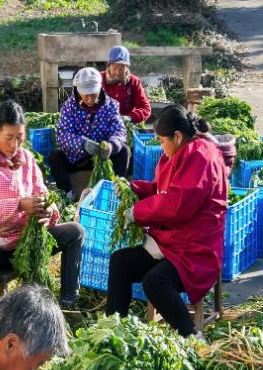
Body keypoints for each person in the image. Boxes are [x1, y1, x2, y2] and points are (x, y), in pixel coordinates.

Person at [106, 105, 228, 338]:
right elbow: (160, 189)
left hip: (195, 249)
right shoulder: (180, 152)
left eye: (162, 141)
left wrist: (138, 212)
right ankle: (113, 331)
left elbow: (176, 205)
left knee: (155, 282)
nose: (161, 146)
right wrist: (134, 189)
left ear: (178, 136)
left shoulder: (200, 156)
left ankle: (192, 336)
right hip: (171, 242)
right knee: (120, 261)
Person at [0, 101, 85, 306]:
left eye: (20, 138)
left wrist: (47, 210)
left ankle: (68, 303)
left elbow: (42, 192)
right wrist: (20, 205)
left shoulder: (26, 159)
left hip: (22, 241)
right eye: (9, 138)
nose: (15, 145)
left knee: (75, 232)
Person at [48, 67, 131, 198]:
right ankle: (68, 195)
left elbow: (119, 131)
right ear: (78, 90)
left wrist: (111, 145)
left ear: (99, 88)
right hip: (77, 158)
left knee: (124, 151)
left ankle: (113, 194)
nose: (90, 98)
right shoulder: (69, 107)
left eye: (93, 94)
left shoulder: (110, 105)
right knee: (55, 156)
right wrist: (83, 144)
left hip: (103, 157)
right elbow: (63, 136)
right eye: (85, 94)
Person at [103, 46, 152, 125]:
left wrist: (129, 118)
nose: (118, 72)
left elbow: (145, 108)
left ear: (127, 67)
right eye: (115, 67)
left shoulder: (133, 81)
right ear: (109, 65)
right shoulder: (99, 79)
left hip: (126, 124)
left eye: (122, 68)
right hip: (102, 123)